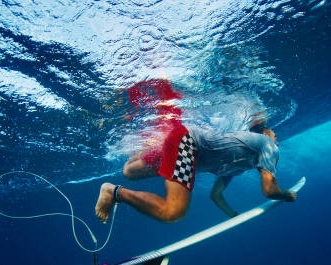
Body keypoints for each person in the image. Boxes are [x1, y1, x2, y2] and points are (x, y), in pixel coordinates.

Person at [95, 80, 296, 224]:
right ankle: (113, 192)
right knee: (173, 212)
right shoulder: (268, 146)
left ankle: (154, 146)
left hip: (180, 143)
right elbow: (270, 191)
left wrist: (234, 216)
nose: (277, 137)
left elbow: (216, 195)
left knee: (129, 172)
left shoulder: (238, 167)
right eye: (274, 134)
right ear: (266, 133)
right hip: (186, 145)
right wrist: (288, 195)